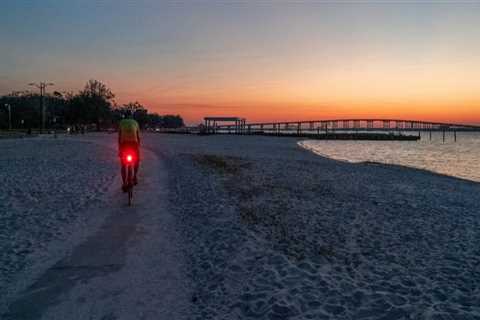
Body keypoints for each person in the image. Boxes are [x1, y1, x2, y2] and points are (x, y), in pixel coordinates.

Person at [118, 111, 141, 192]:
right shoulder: (135, 122)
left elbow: (119, 137)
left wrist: (119, 149)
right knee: (137, 160)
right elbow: (138, 137)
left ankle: (124, 183)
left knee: (123, 164)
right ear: (131, 116)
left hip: (124, 144)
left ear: (125, 116)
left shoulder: (121, 122)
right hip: (134, 144)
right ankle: (134, 176)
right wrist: (138, 147)